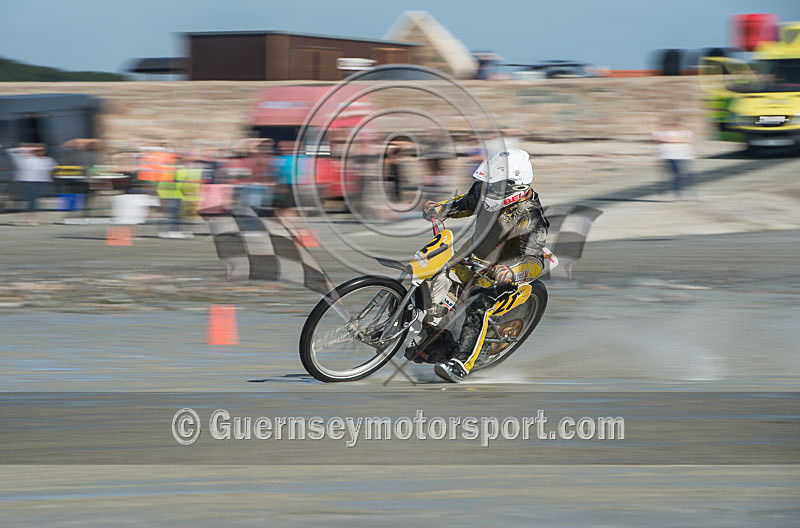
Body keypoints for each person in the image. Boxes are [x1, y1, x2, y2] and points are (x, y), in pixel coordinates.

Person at [420, 148, 549, 383]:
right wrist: (442, 209)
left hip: (507, 276)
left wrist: (511, 270)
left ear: (514, 186)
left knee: (479, 306)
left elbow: (536, 262)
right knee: (432, 279)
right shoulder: (485, 188)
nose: (487, 190)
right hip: (472, 259)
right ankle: (429, 335)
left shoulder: (530, 217)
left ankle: (460, 364)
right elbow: (468, 203)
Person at [6, 144, 57, 225]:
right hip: (27, 181)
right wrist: (30, 148)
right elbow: (10, 151)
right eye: (38, 150)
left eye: (42, 151)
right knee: (29, 201)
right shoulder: (23, 159)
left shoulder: (47, 159)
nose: (40, 152)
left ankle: (40, 218)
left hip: (43, 182)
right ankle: (29, 218)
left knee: (41, 200)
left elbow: (54, 167)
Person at [653, 117, 694, 198]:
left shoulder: (687, 132)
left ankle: (679, 191)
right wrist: (677, 140)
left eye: (681, 125)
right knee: (673, 175)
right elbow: (659, 138)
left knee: (682, 175)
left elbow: (687, 140)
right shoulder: (670, 132)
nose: (679, 126)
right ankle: (674, 191)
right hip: (669, 156)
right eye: (678, 125)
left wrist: (670, 140)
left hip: (684, 156)